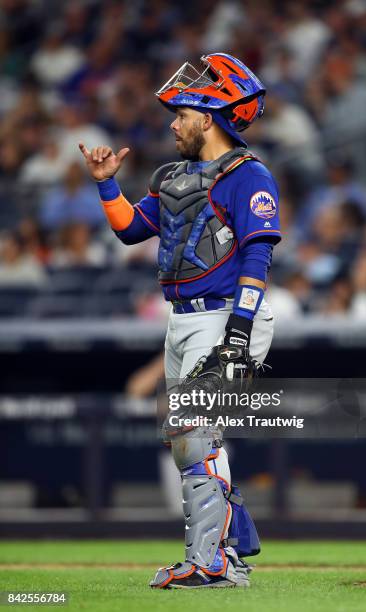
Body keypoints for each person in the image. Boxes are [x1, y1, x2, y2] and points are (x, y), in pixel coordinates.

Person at [79, 53, 281, 589]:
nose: (173, 122)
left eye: (183, 114)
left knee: (191, 436)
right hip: (182, 321)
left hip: (227, 319)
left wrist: (239, 331)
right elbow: (130, 229)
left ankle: (209, 564)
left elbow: (258, 257)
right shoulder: (173, 176)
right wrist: (105, 185)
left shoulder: (249, 175)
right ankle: (230, 550)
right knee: (196, 440)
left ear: (209, 118)